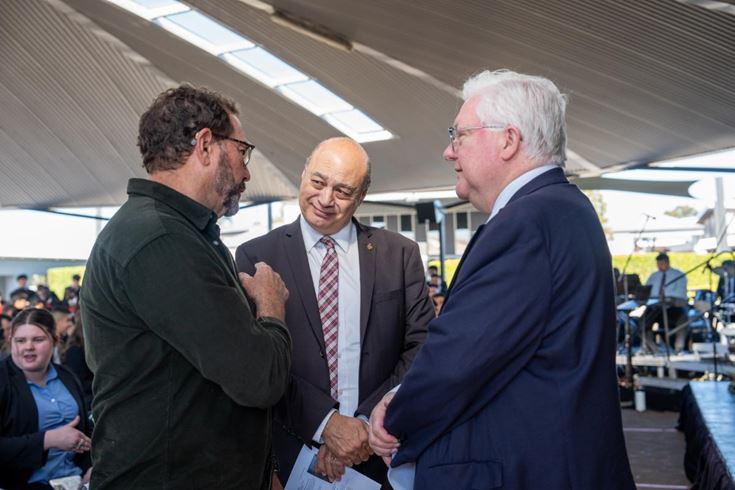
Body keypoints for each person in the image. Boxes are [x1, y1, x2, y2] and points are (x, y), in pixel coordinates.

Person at [369, 69, 635, 489]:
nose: (448, 151)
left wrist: (394, 416)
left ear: (508, 140)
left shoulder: (525, 222)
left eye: (459, 135)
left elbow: (460, 360)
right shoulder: (564, 208)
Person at [81, 85, 292, 490]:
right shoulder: (161, 239)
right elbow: (258, 378)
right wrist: (270, 307)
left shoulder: (177, 232)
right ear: (206, 144)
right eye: (243, 152)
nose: (247, 172)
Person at [236, 137, 433, 486]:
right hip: (291, 457)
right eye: (318, 182)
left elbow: (422, 346)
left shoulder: (399, 255)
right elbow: (258, 359)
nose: (326, 199)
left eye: (343, 191)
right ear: (303, 175)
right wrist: (326, 424)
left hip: (380, 454)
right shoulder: (257, 257)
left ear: (362, 194)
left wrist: (366, 424)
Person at [0, 307, 92, 490]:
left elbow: (85, 430)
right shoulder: (3, 380)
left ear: (55, 340)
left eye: (38, 339)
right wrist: (47, 440)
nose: (28, 347)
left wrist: (91, 466)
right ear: (10, 341)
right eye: (20, 340)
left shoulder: (67, 376)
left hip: (76, 480)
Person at [641, 252, 688, 353]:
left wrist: (666, 297)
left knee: (683, 319)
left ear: (667, 262)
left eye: (662, 263)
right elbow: (646, 291)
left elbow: (681, 294)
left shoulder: (678, 275)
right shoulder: (653, 276)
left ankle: (679, 347)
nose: (660, 266)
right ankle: (652, 348)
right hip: (655, 307)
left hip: (672, 307)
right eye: (658, 264)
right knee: (642, 323)